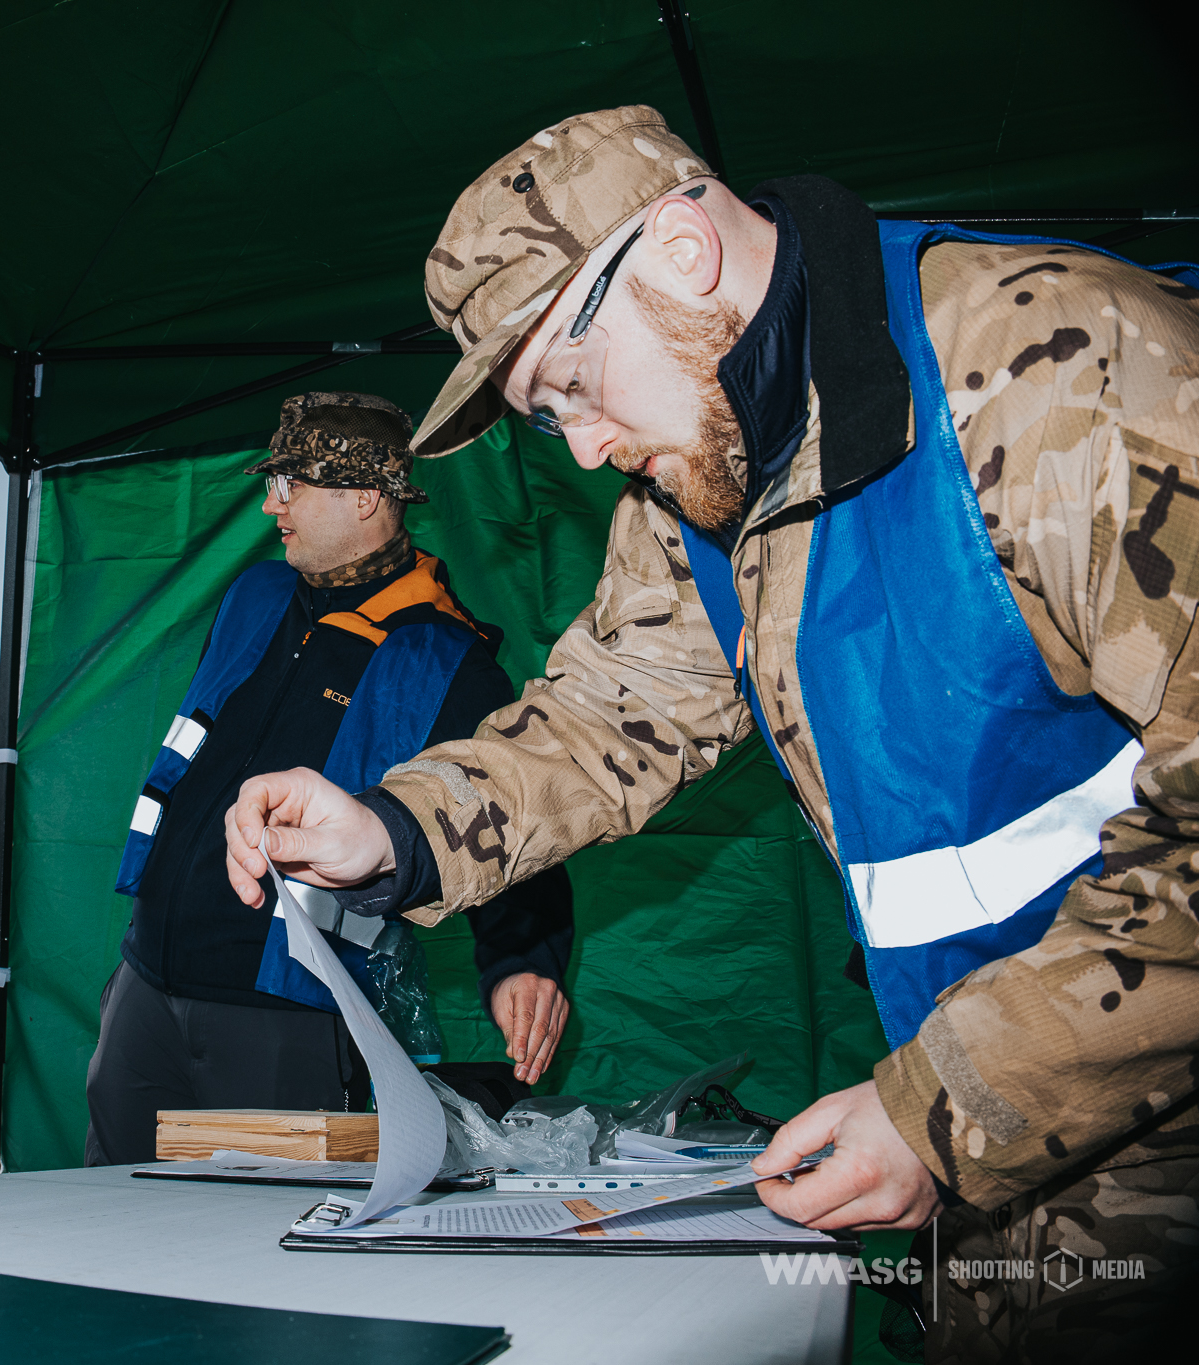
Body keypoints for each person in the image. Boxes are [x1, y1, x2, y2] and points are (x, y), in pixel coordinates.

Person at [223, 105, 1197, 1354]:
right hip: (996, 1146)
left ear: (680, 252)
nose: (579, 449)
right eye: (541, 415)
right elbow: (609, 711)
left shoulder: (1065, 377)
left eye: (569, 385)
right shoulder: (704, 470)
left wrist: (945, 1101)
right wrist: (395, 827)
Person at [85, 391, 575, 1166]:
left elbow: (508, 812)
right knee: (104, 1227)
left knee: (263, 1257)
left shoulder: (448, 660)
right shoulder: (255, 594)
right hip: (145, 985)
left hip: (288, 1016)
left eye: (290, 485)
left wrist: (522, 960)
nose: (269, 505)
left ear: (365, 497)